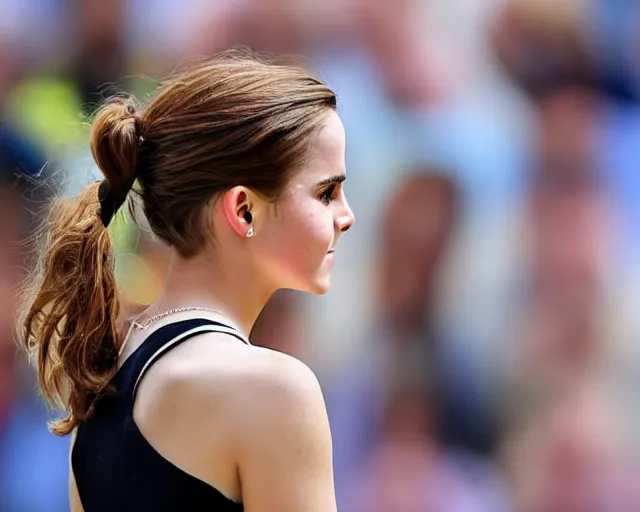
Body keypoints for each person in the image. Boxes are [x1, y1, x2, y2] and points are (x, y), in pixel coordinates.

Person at [18, 49, 354, 512]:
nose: (347, 216)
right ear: (243, 209)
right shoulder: (276, 390)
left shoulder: (101, 380)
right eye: (327, 192)